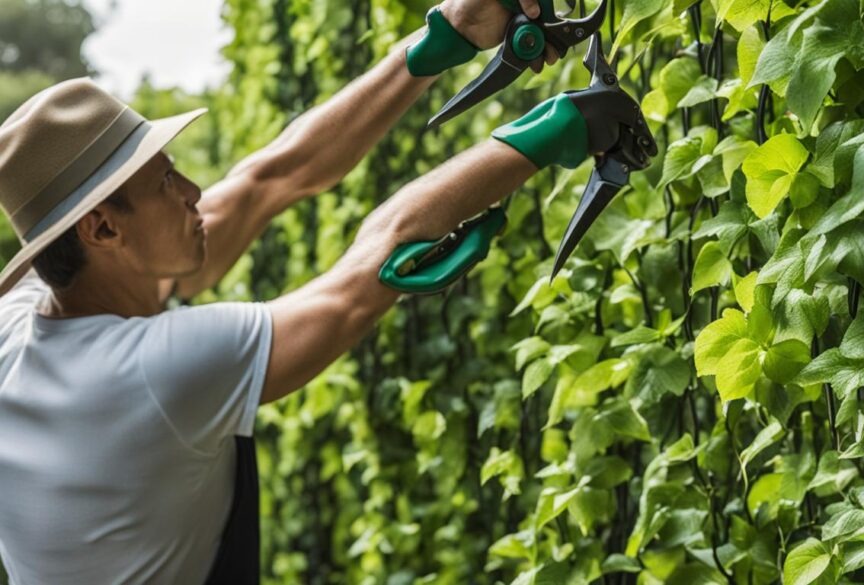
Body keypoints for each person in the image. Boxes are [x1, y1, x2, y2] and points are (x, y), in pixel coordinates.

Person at [0, 0, 637, 582]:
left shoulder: (24, 314)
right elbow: (364, 275)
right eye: (166, 183)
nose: (194, 191)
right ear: (104, 227)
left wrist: (443, 39)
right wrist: (551, 133)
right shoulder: (150, 373)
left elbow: (268, 178)